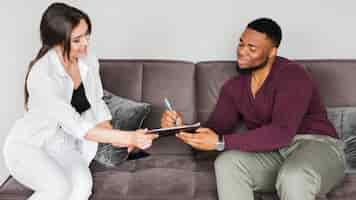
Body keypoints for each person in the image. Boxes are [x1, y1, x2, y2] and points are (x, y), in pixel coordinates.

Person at [161, 18, 346, 200]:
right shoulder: (234, 88)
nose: (241, 52)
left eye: (252, 48)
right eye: (241, 44)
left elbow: (281, 132)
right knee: (227, 163)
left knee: (293, 176)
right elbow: (214, 134)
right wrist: (180, 128)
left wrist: (220, 141)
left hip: (318, 147)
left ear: (272, 52)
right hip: (274, 154)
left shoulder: (292, 74)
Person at [3, 3, 158, 200]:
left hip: (63, 145)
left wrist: (118, 143)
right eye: (77, 40)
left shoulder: (88, 61)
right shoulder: (42, 76)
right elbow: (78, 126)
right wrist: (128, 137)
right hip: (29, 146)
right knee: (58, 188)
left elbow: (97, 107)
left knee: (82, 187)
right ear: (57, 42)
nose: (85, 43)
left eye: (87, 35)